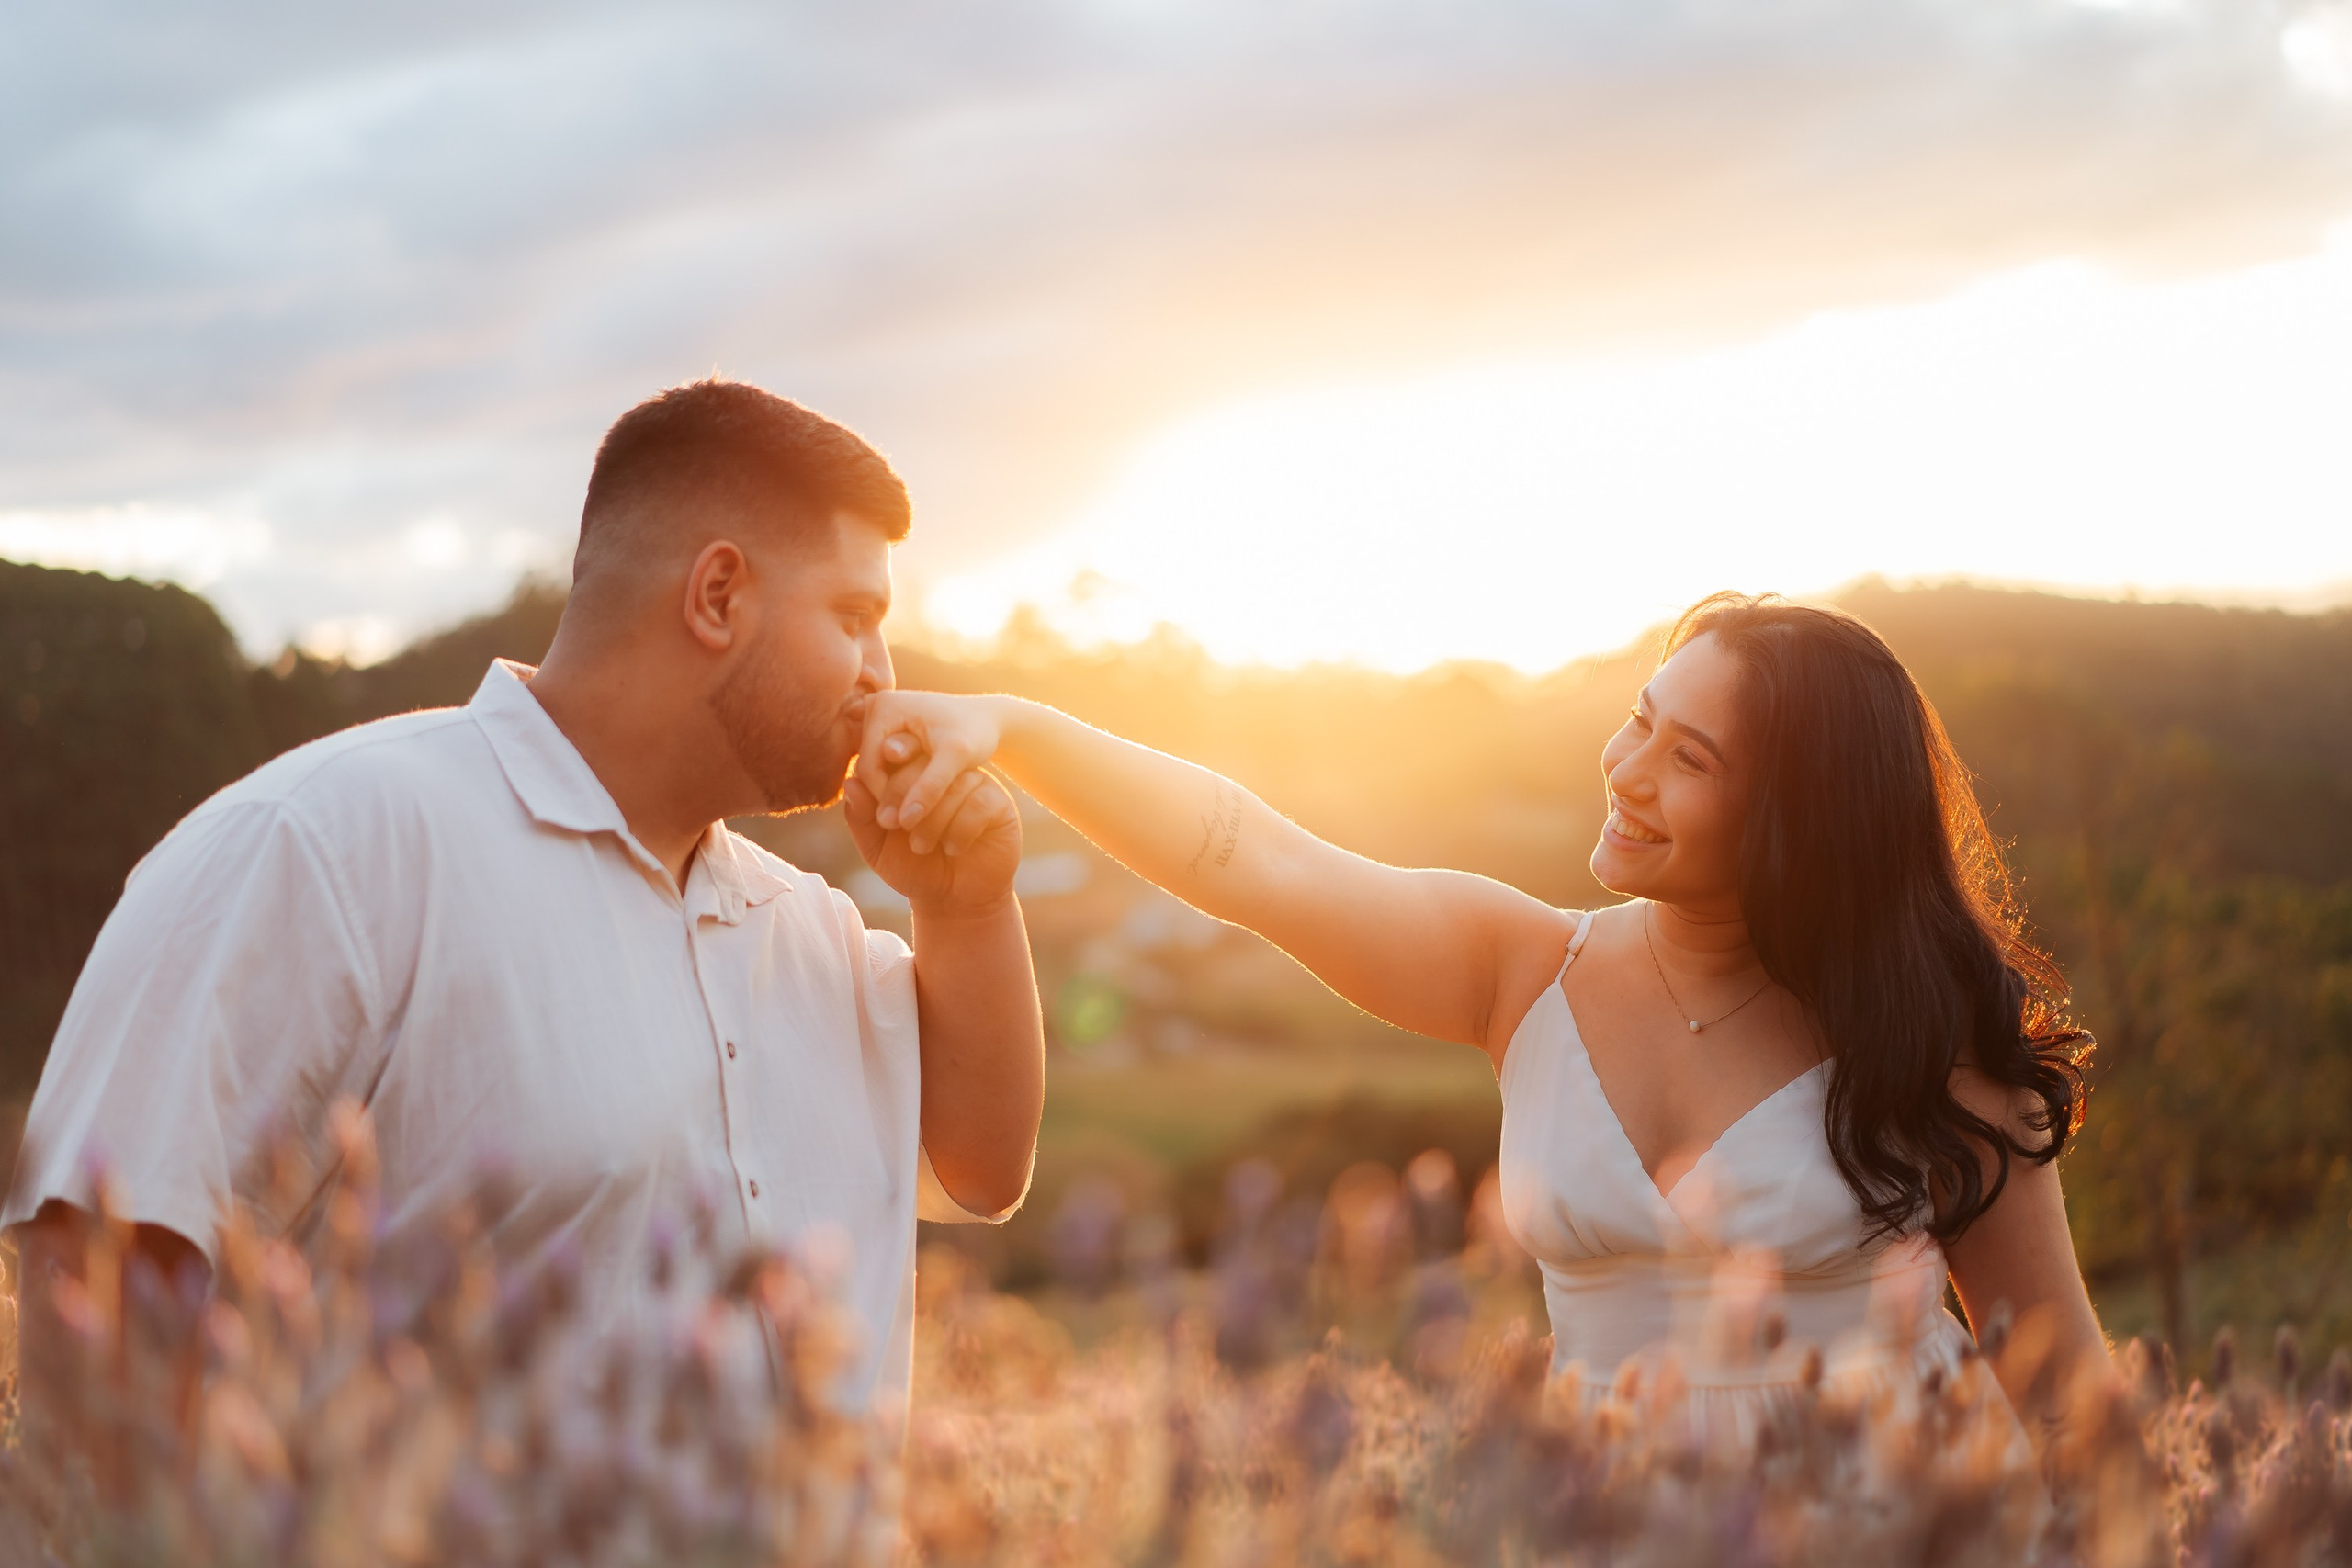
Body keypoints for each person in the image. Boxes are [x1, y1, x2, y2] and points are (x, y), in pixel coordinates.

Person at [5, 379, 1044, 1432]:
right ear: (718, 595)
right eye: (857, 618)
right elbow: (93, 1291)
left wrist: (966, 908)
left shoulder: (805, 928)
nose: (884, 676)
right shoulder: (320, 845)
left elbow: (982, 1170)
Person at [854, 592, 2110, 1449]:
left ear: (1802, 818)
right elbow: (1253, 855)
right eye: (1638, 719)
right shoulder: (1524, 969)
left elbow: (2069, 1394)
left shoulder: (1929, 1043)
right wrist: (1009, 728)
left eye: (1692, 759)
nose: (1626, 770)